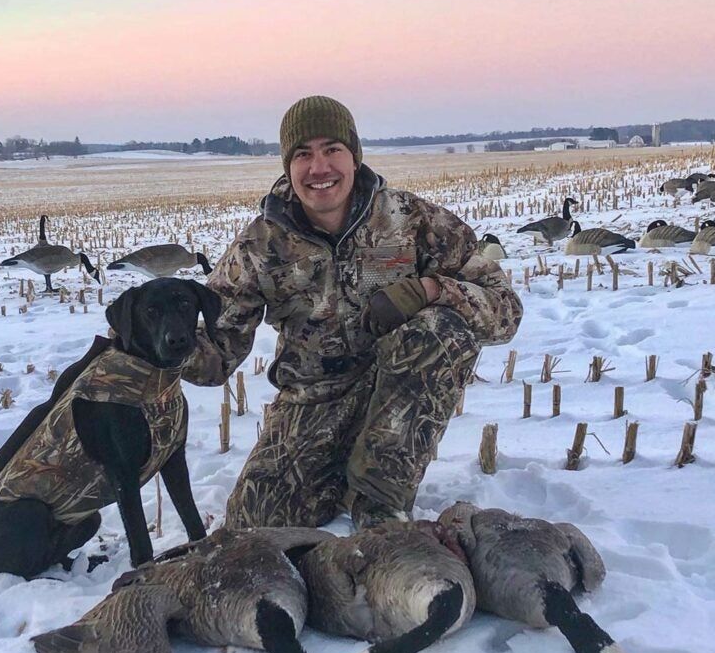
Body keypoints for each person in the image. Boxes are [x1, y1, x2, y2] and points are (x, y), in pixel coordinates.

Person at [183, 96, 523, 529]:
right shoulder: (260, 244)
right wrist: (155, 345)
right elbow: (217, 353)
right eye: (303, 154)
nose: (319, 168)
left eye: (332, 150)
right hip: (312, 403)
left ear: (355, 156)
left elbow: (506, 312)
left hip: (397, 394)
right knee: (256, 523)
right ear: (288, 165)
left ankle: (381, 495)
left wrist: (431, 289)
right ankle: (338, 473)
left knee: (441, 326)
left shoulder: (413, 220)